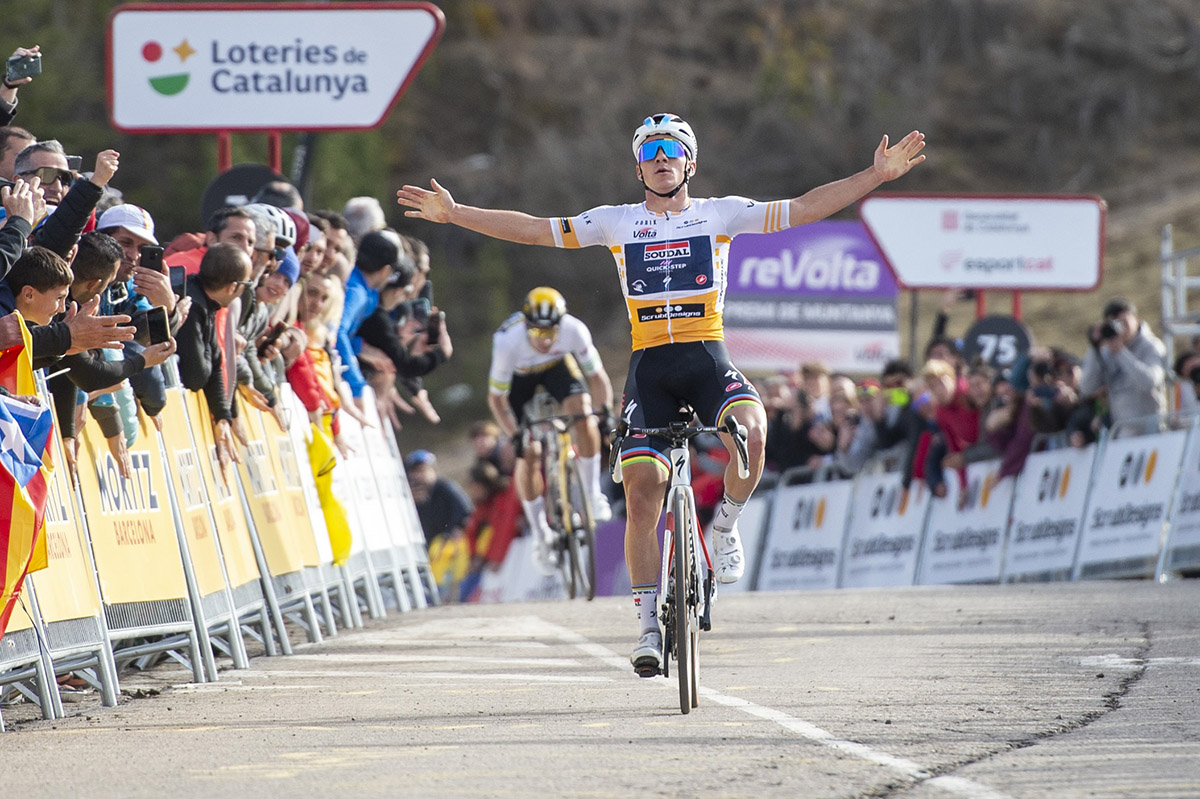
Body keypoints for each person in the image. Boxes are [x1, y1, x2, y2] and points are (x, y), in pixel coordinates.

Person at [397, 112, 926, 675]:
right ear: (638, 167)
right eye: (650, 151)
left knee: (750, 430)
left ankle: (723, 527)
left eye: (672, 148)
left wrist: (872, 177)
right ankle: (648, 624)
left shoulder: (721, 214)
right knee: (644, 492)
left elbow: (802, 209)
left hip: (706, 356)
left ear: (690, 162)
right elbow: (533, 227)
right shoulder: (616, 222)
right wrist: (456, 214)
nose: (661, 158)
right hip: (649, 368)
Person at [485, 287, 614, 574]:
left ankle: (593, 493)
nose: (543, 341)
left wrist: (604, 414)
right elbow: (496, 399)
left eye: (550, 333)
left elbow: (597, 377)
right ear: (526, 325)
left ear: (561, 325)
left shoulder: (574, 330)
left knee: (584, 412)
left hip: (558, 368)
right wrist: (515, 434)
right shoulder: (508, 342)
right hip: (519, 380)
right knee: (529, 452)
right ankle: (541, 533)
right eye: (537, 334)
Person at [174, 243, 252, 472]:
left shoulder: (204, 300)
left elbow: (215, 364)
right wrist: (211, 355)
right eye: (246, 285)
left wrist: (222, 417)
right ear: (233, 287)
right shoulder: (193, 306)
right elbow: (196, 376)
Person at [1080, 297, 1167, 437]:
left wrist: (1121, 352)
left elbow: (1149, 381)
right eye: (1116, 324)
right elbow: (1087, 388)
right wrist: (1094, 348)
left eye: (1124, 322)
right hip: (1123, 431)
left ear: (1136, 319)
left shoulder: (1151, 346)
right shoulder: (1108, 352)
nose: (1121, 329)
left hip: (1152, 430)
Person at [405, 449, 472, 547]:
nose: (417, 476)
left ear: (433, 471)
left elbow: (466, 512)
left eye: (421, 470)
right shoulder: (409, 496)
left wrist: (451, 533)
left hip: (452, 546)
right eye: (413, 472)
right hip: (430, 550)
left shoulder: (446, 488)